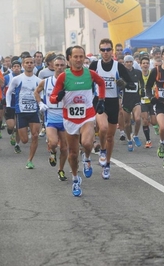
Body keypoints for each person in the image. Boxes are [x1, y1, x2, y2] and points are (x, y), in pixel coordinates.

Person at [50, 45, 105, 197]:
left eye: (81, 56)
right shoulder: (64, 76)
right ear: (69, 59)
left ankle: (87, 158)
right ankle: (75, 179)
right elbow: (52, 97)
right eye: (76, 57)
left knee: (87, 143)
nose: (79, 59)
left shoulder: (90, 74)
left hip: (87, 115)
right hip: (70, 119)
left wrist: (101, 99)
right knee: (73, 154)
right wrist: (58, 97)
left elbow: (101, 83)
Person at [89, 38, 136, 179]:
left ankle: (107, 164)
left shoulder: (118, 66)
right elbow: (85, 80)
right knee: (102, 128)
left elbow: (132, 84)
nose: (105, 52)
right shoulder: (94, 65)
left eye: (108, 49)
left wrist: (124, 84)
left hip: (113, 102)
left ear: (112, 51)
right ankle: (102, 151)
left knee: (110, 136)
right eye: (103, 50)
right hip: (99, 101)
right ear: (99, 51)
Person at [34, 56, 69, 181]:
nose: (59, 67)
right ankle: (53, 151)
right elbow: (36, 92)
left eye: (62, 65)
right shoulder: (46, 81)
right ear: (53, 66)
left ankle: (61, 170)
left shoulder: (69, 81)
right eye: (57, 65)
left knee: (65, 148)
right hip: (51, 116)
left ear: (65, 66)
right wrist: (40, 103)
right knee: (53, 142)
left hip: (65, 117)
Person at [5, 56, 41, 168]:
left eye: (31, 63)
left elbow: (43, 94)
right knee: (25, 140)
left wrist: (42, 104)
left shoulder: (38, 81)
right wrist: (8, 105)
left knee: (35, 136)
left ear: (34, 65)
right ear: (23, 65)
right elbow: (9, 92)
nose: (29, 64)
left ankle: (30, 160)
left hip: (34, 111)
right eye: (27, 63)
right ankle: (17, 135)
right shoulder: (17, 79)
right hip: (21, 112)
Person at [122, 55, 144, 151]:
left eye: (130, 62)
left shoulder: (138, 72)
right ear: (124, 63)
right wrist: (124, 84)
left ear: (133, 62)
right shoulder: (122, 73)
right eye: (127, 62)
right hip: (126, 100)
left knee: (138, 119)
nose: (129, 63)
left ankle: (135, 135)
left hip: (136, 99)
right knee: (127, 124)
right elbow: (118, 84)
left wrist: (142, 89)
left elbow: (142, 82)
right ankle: (129, 139)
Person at [140, 56, 159, 149]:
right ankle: (148, 140)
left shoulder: (152, 74)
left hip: (152, 100)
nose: (145, 65)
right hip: (142, 101)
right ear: (140, 65)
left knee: (154, 121)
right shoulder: (139, 75)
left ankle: (156, 128)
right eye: (143, 63)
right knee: (145, 121)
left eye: (147, 63)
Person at [3, 60, 22, 152]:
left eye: (18, 66)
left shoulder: (24, 77)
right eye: (14, 66)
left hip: (20, 105)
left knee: (19, 126)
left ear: (21, 68)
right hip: (10, 104)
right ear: (11, 68)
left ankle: (17, 144)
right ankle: (11, 133)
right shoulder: (7, 77)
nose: (16, 68)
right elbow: (1, 88)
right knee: (11, 126)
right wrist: (3, 99)